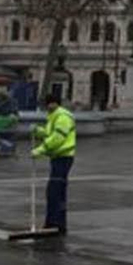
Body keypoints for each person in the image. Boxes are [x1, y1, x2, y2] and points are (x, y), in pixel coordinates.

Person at [31, 97, 77, 234]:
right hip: (58, 157)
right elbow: (50, 133)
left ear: (54, 103)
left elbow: (57, 138)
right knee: (57, 191)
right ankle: (56, 223)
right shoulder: (54, 116)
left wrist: (40, 149)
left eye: (48, 104)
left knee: (55, 192)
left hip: (63, 157)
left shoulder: (62, 117)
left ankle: (54, 223)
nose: (46, 107)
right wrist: (38, 131)